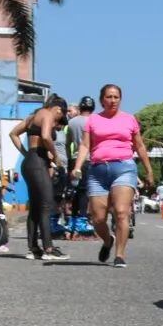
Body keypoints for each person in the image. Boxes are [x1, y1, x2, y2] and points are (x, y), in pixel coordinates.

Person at [71, 84, 155, 269]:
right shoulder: (93, 120)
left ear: (120, 99)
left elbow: (139, 146)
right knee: (97, 218)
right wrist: (77, 167)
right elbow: (85, 145)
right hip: (98, 171)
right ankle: (108, 240)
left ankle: (120, 255)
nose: (112, 100)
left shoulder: (129, 119)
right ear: (102, 100)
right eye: (108, 97)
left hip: (123, 168)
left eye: (116, 97)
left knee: (121, 212)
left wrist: (148, 170)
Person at [9, 95, 69, 262]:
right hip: (38, 162)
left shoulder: (32, 117)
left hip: (30, 162)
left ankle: (33, 248)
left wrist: (26, 154)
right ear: (58, 109)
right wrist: (56, 156)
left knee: (35, 207)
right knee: (46, 204)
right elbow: (45, 136)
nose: (58, 121)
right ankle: (48, 248)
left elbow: (13, 134)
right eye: (61, 116)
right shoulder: (48, 113)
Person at [67, 96, 96, 227]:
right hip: (89, 159)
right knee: (85, 191)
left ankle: (73, 218)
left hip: (74, 159)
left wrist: (69, 159)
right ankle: (83, 220)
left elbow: (68, 143)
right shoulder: (95, 121)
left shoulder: (72, 122)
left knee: (76, 190)